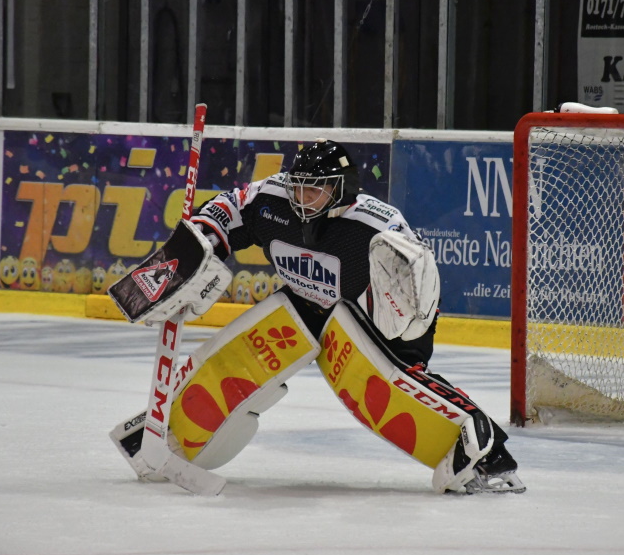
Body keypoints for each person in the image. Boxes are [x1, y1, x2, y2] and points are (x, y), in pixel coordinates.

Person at [111, 139, 524, 494]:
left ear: (341, 190)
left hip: (363, 318)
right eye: (299, 188)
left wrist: (402, 354)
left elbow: (418, 294)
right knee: (246, 347)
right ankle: (172, 432)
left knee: (383, 383)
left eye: (315, 191)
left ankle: (485, 453)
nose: (302, 199)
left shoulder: (378, 227)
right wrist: (189, 257)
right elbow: (223, 212)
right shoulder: (271, 201)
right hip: (305, 304)